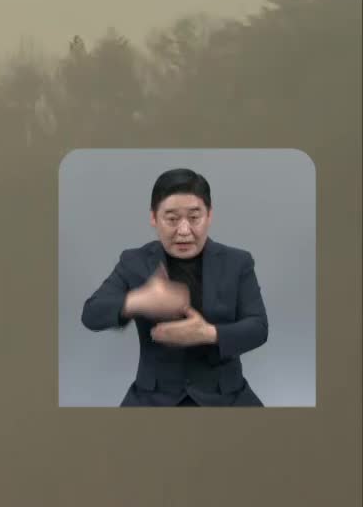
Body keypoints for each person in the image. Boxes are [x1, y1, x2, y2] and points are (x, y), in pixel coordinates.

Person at [80, 167, 268, 406]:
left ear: (209, 215)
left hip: (226, 395)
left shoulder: (237, 262)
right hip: (152, 397)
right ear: (153, 218)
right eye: (171, 219)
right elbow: (90, 314)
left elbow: (258, 327)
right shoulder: (134, 261)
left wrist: (208, 334)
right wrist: (137, 301)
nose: (184, 231)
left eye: (194, 217)